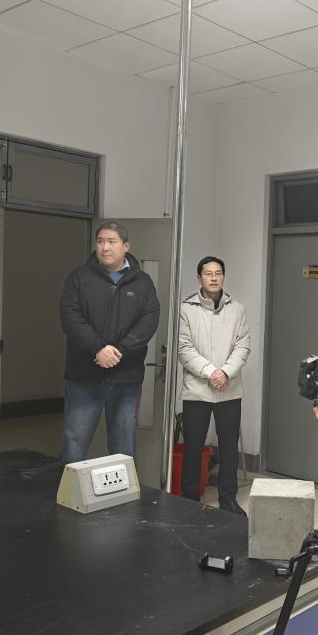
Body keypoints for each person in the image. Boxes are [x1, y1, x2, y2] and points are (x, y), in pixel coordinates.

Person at [59, 221, 160, 463]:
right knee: (75, 442)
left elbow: (149, 320)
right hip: (84, 377)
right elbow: (70, 318)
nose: (105, 247)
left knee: (124, 447)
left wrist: (120, 350)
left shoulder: (142, 282)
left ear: (126, 246)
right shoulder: (79, 278)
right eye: (100, 241)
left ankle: (123, 491)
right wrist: (98, 349)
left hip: (126, 378)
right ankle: (68, 489)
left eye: (112, 242)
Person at [177, 256, 251, 515]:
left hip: (229, 389)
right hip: (197, 390)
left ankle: (228, 499)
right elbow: (184, 348)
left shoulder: (237, 309)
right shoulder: (186, 309)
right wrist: (211, 372)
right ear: (199, 278)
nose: (213, 278)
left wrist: (226, 373)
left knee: (229, 447)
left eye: (218, 273)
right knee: (193, 446)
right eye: (208, 273)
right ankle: (189, 498)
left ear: (224, 277)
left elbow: (243, 346)